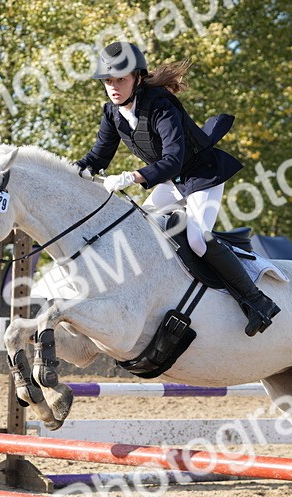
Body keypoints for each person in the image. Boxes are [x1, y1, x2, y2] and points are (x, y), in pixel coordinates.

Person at [73, 41, 280, 337]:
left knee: (197, 239)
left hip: (202, 175)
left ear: (138, 78)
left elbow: (173, 159)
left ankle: (258, 302)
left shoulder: (161, 105)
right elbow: (97, 157)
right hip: (173, 182)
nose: (114, 87)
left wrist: (132, 177)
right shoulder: (112, 113)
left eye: (120, 79)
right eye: (108, 81)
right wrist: (71, 170)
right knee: (138, 228)